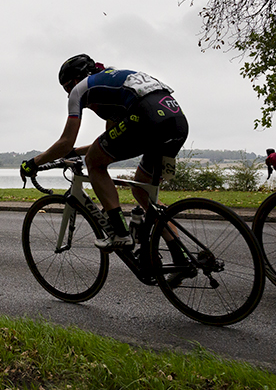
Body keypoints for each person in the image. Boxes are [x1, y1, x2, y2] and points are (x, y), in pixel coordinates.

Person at [20, 54, 189, 251]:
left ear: (75, 80)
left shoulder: (80, 89)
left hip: (146, 118)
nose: (68, 94)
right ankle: (182, 256)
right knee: (142, 192)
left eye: (66, 88)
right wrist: (75, 152)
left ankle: (120, 233)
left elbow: (66, 142)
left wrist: (34, 163)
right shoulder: (113, 86)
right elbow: (111, 138)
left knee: (94, 163)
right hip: (176, 122)